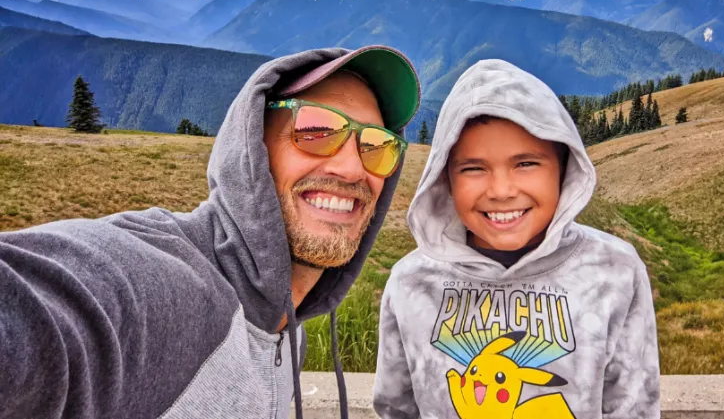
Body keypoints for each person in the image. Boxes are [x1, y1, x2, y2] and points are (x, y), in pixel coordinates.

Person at [0, 46, 420, 419]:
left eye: (376, 145)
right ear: (252, 146)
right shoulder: (155, 290)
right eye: (315, 130)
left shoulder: (289, 334)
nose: (351, 168)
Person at [373, 59, 660, 419]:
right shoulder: (410, 282)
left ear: (564, 169)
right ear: (445, 179)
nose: (502, 191)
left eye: (526, 163)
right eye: (473, 168)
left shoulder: (614, 271)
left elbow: (633, 408)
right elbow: (395, 408)